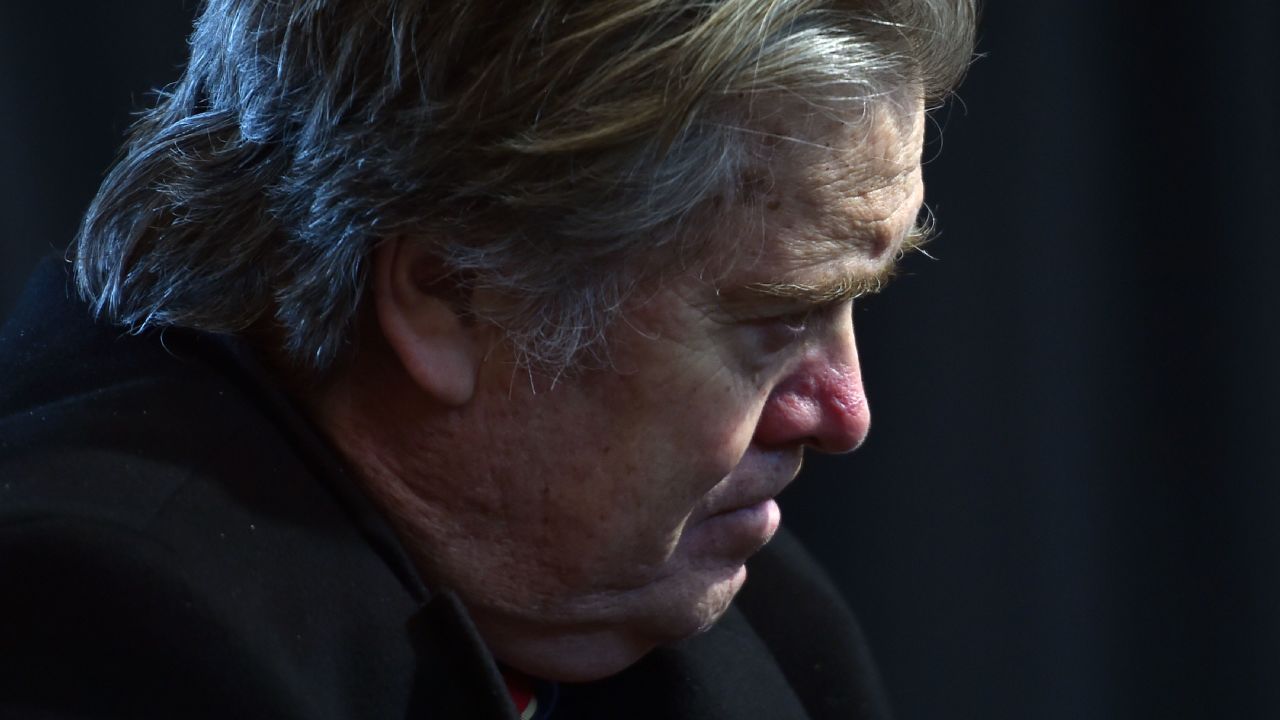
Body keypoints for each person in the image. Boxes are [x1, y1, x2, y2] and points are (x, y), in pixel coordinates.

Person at [0, 1, 975, 718]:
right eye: (775, 320)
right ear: (451, 294)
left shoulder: (746, 609)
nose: (844, 412)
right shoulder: (98, 622)